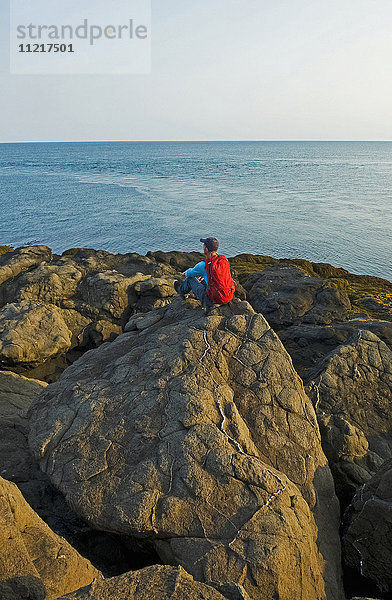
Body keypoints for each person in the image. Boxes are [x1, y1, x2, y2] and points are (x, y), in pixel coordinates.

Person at [174, 237, 235, 309]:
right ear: (216, 249)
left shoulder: (203, 265)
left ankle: (180, 290)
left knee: (191, 279)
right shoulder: (224, 261)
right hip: (227, 296)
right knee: (203, 281)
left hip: (212, 300)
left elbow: (189, 274)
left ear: (206, 249)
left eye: (204, 245)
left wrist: (185, 273)